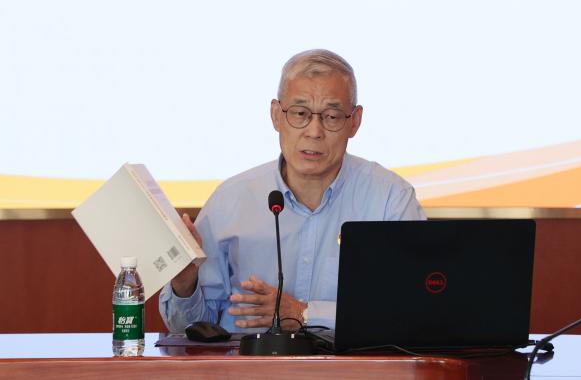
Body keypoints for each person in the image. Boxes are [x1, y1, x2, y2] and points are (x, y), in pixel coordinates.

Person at [160, 49, 425, 333]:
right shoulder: (230, 201)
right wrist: (184, 284)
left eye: (332, 116)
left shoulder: (390, 200)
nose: (314, 131)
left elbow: (415, 309)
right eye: (300, 114)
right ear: (276, 115)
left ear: (354, 121)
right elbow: (185, 329)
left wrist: (304, 313)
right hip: (247, 361)